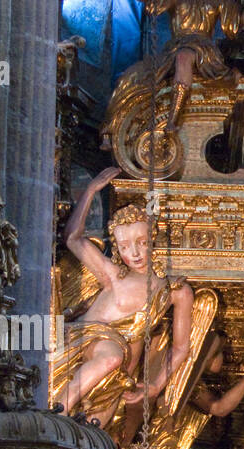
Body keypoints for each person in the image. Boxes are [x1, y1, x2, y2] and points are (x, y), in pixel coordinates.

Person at [53, 166, 196, 430]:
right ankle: (57, 411)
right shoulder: (113, 274)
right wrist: (92, 190)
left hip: (120, 364)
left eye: (141, 242)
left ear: (152, 239)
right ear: (117, 249)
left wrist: (155, 385)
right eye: (124, 246)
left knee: (96, 431)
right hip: (84, 339)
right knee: (111, 359)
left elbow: (180, 348)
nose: (135, 252)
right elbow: (73, 238)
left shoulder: (175, 291)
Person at [102, 0, 244, 141]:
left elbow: (242, 21)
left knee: (184, 58)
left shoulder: (218, 0)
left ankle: (172, 121)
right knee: (130, 76)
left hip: (203, 52)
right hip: (174, 49)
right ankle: (111, 131)